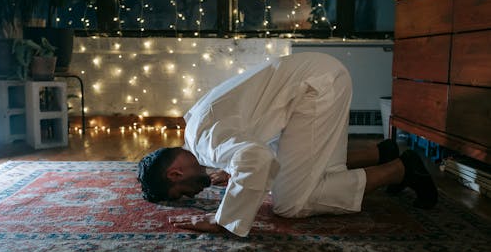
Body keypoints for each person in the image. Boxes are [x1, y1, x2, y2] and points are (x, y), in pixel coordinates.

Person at [137, 52, 438, 237]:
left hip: (316, 88)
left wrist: (223, 219)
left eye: (183, 193)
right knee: (301, 170)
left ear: (174, 174)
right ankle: (380, 153)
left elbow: (256, 158)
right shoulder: (197, 132)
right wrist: (234, 170)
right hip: (317, 78)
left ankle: (400, 169)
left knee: (291, 203)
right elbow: (253, 151)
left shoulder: (206, 142)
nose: (193, 194)